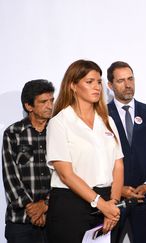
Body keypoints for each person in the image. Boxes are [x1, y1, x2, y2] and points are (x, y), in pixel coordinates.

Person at [45, 59, 124, 243]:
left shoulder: (107, 121)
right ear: (73, 85)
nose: (96, 87)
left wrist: (112, 204)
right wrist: (100, 203)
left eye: (98, 82)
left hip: (106, 202)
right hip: (71, 204)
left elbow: (118, 165)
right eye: (89, 82)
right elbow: (66, 175)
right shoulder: (60, 122)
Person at [107, 61, 146, 243]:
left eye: (130, 79)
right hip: (112, 201)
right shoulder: (101, 114)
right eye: (121, 81)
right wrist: (117, 188)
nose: (128, 85)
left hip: (145, 199)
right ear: (110, 85)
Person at [2, 80, 54, 243]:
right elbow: (10, 176)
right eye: (44, 102)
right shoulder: (13, 133)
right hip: (20, 222)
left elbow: (66, 175)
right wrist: (32, 209)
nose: (50, 106)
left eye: (52, 100)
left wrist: (45, 205)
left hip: (54, 218)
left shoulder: (58, 131)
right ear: (29, 106)